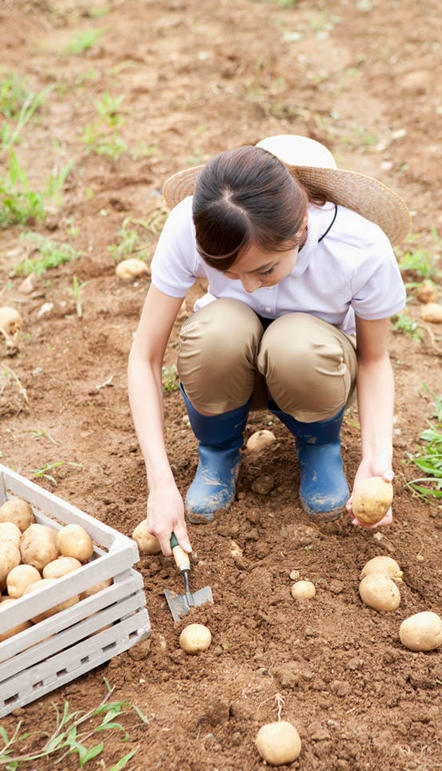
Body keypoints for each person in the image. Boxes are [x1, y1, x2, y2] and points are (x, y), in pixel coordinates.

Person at [127, 134, 410, 557]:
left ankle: (319, 445)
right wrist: (160, 482)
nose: (245, 285)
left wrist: (376, 457)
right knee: (215, 330)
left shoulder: (358, 248)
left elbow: (373, 360)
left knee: (296, 343)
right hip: (229, 364)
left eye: (263, 269)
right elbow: (144, 356)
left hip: (311, 368)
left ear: (300, 229)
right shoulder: (190, 225)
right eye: (227, 273)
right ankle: (218, 450)